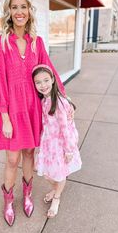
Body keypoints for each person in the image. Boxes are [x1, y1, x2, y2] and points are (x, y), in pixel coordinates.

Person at [0, 0, 65, 226]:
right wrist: (5, 117)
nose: (19, 12)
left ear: (29, 11)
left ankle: (28, 195)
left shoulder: (37, 43)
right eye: (14, 7)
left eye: (23, 7)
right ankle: (9, 200)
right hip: (11, 112)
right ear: (8, 12)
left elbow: (49, 71)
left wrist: (64, 99)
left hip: (33, 109)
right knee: (12, 159)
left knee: (30, 154)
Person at [32, 64, 82, 218]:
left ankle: (57, 198)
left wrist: (68, 150)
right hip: (49, 143)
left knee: (59, 174)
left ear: (53, 80)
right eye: (38, 82)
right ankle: (56, 189)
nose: (43, 85)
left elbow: (65, 128)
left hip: (61, 144)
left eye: (46, 80)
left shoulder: (59, 102)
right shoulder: (44, 100)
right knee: (48, 174)